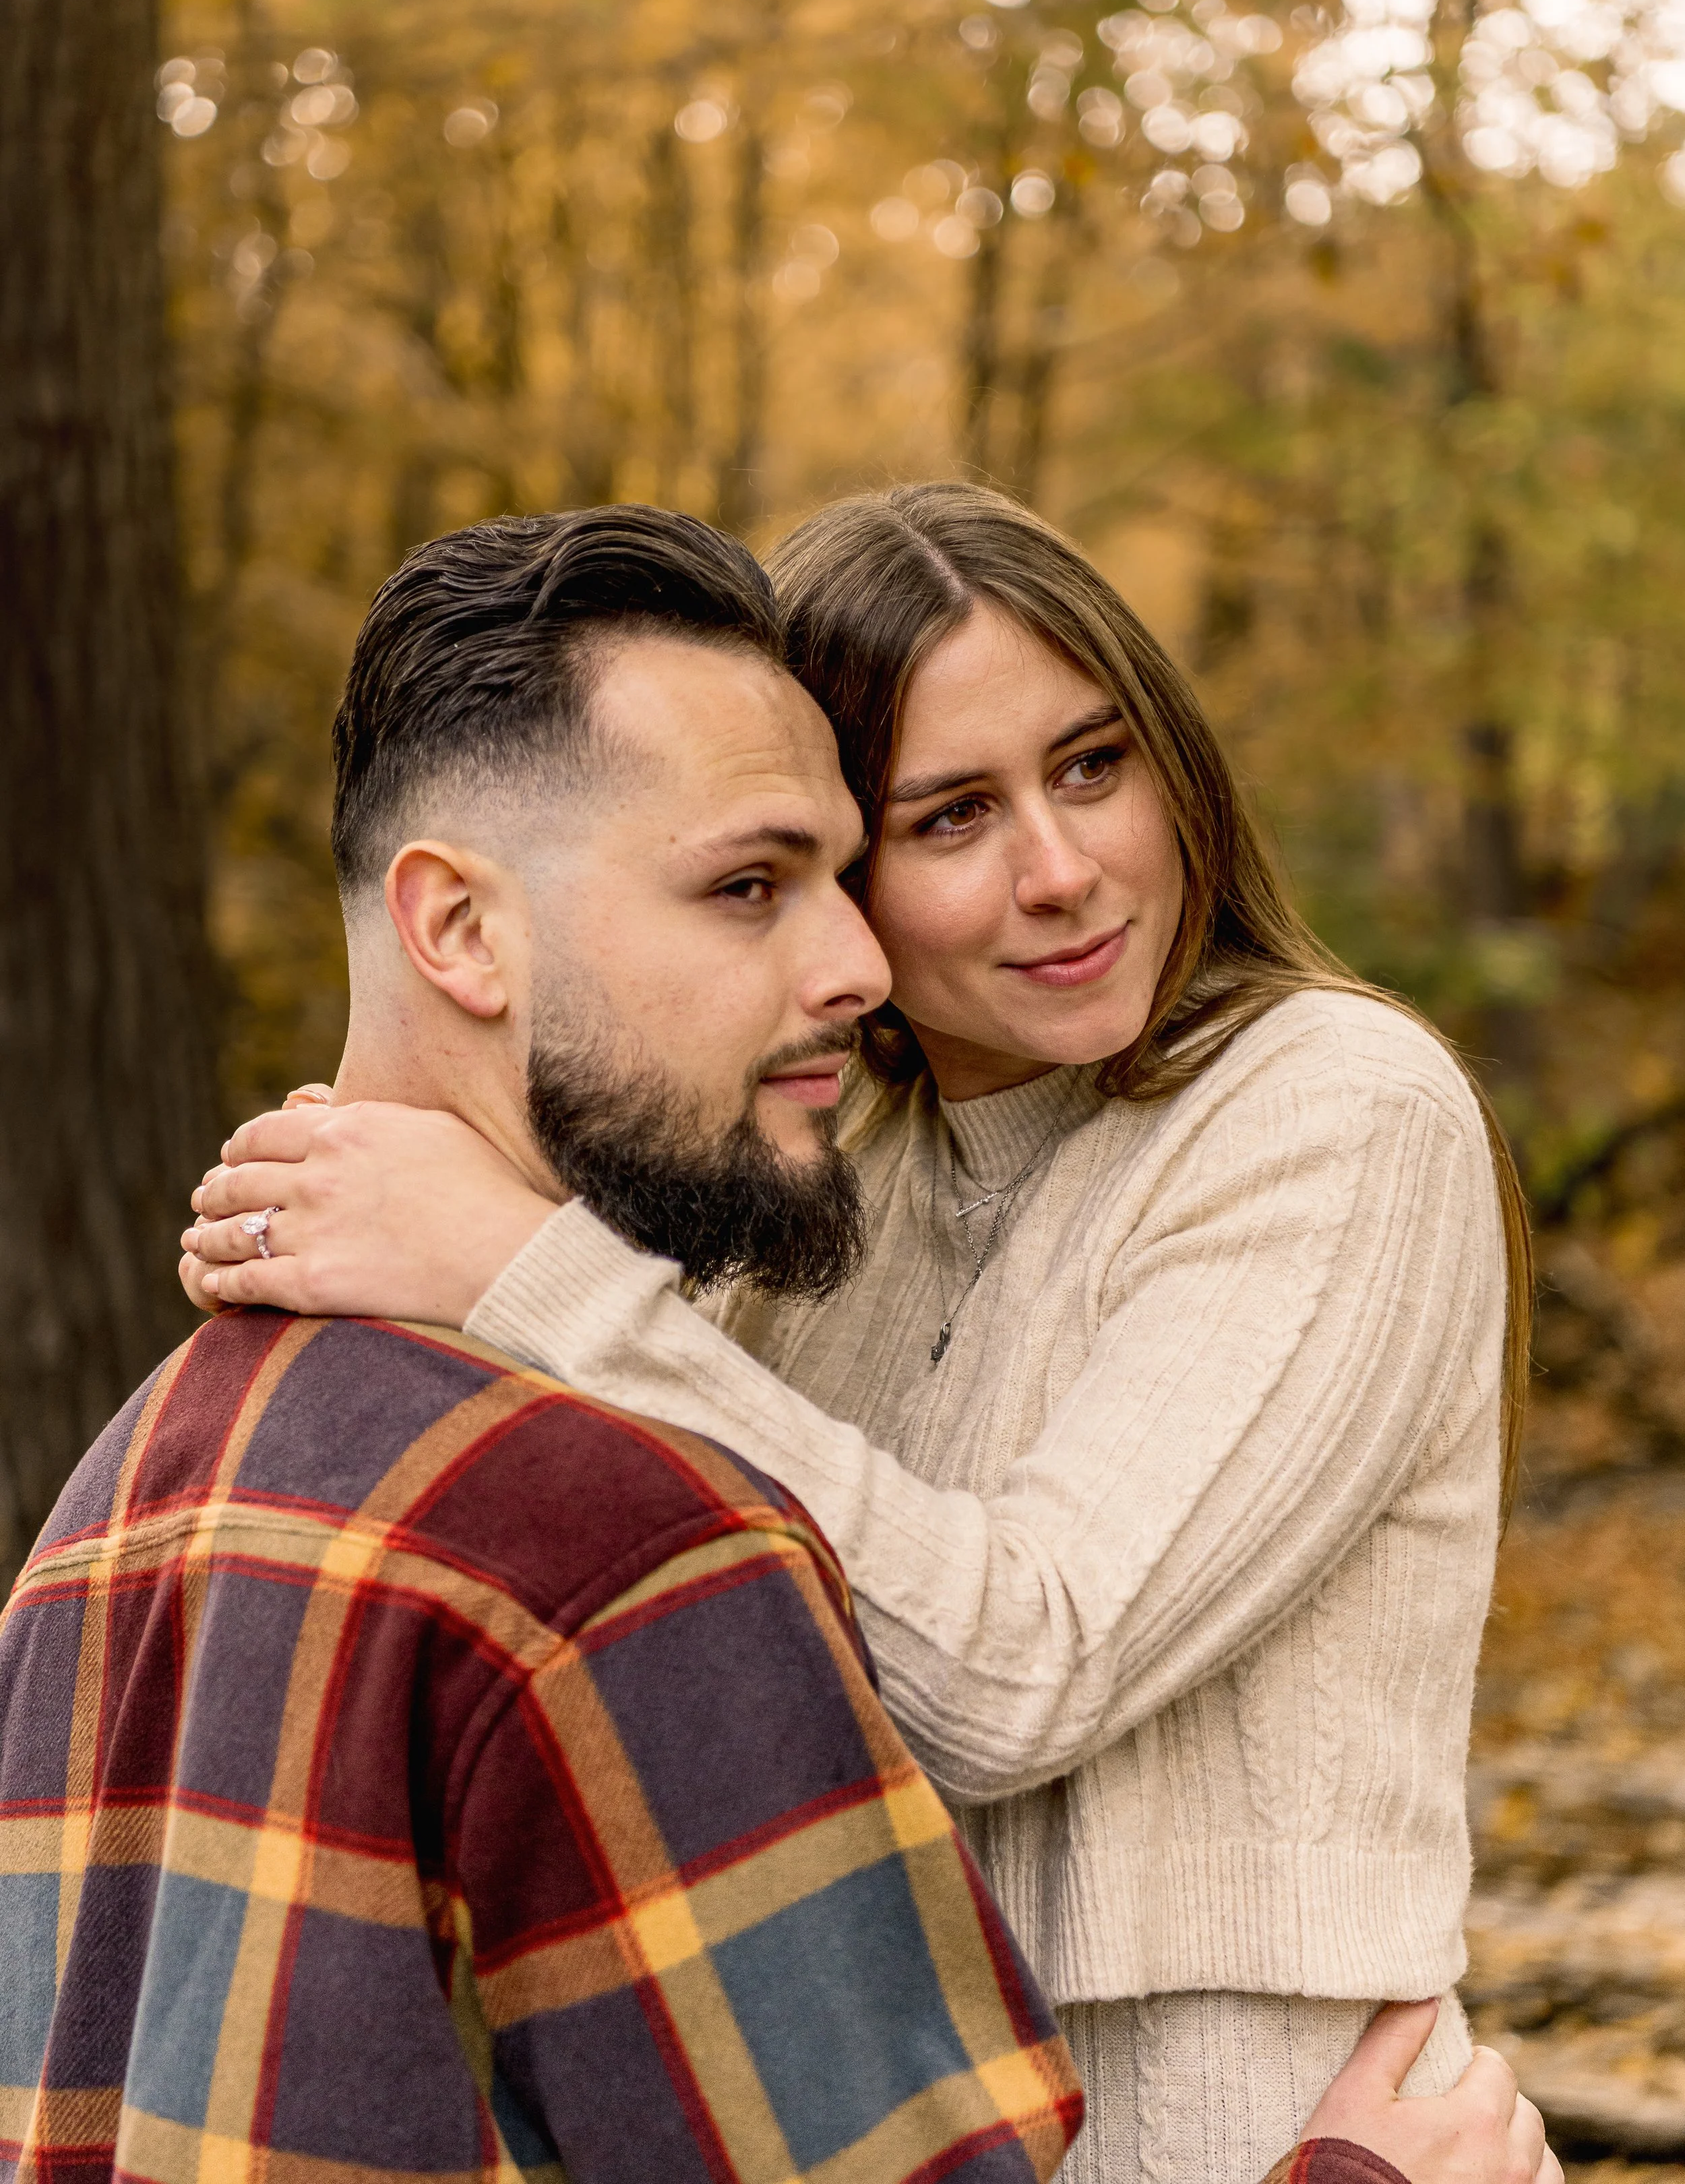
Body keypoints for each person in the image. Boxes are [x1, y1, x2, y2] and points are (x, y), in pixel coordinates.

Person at [181, 499, 1556, 2184]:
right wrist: (363, 1211)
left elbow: (1022, 1662)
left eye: (1092, 763)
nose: (1058, 872)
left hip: (1252, 2112)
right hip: (894, 2107)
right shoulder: (826, 1172)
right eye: (949, 816)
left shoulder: (1330, 1109)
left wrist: (506, 1258)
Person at [0, 511, 1084, 2184]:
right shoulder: (629, 1546)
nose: (860, 967)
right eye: (748, 886)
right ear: (460, 934)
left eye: (842, 882)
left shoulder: (109, 1508)